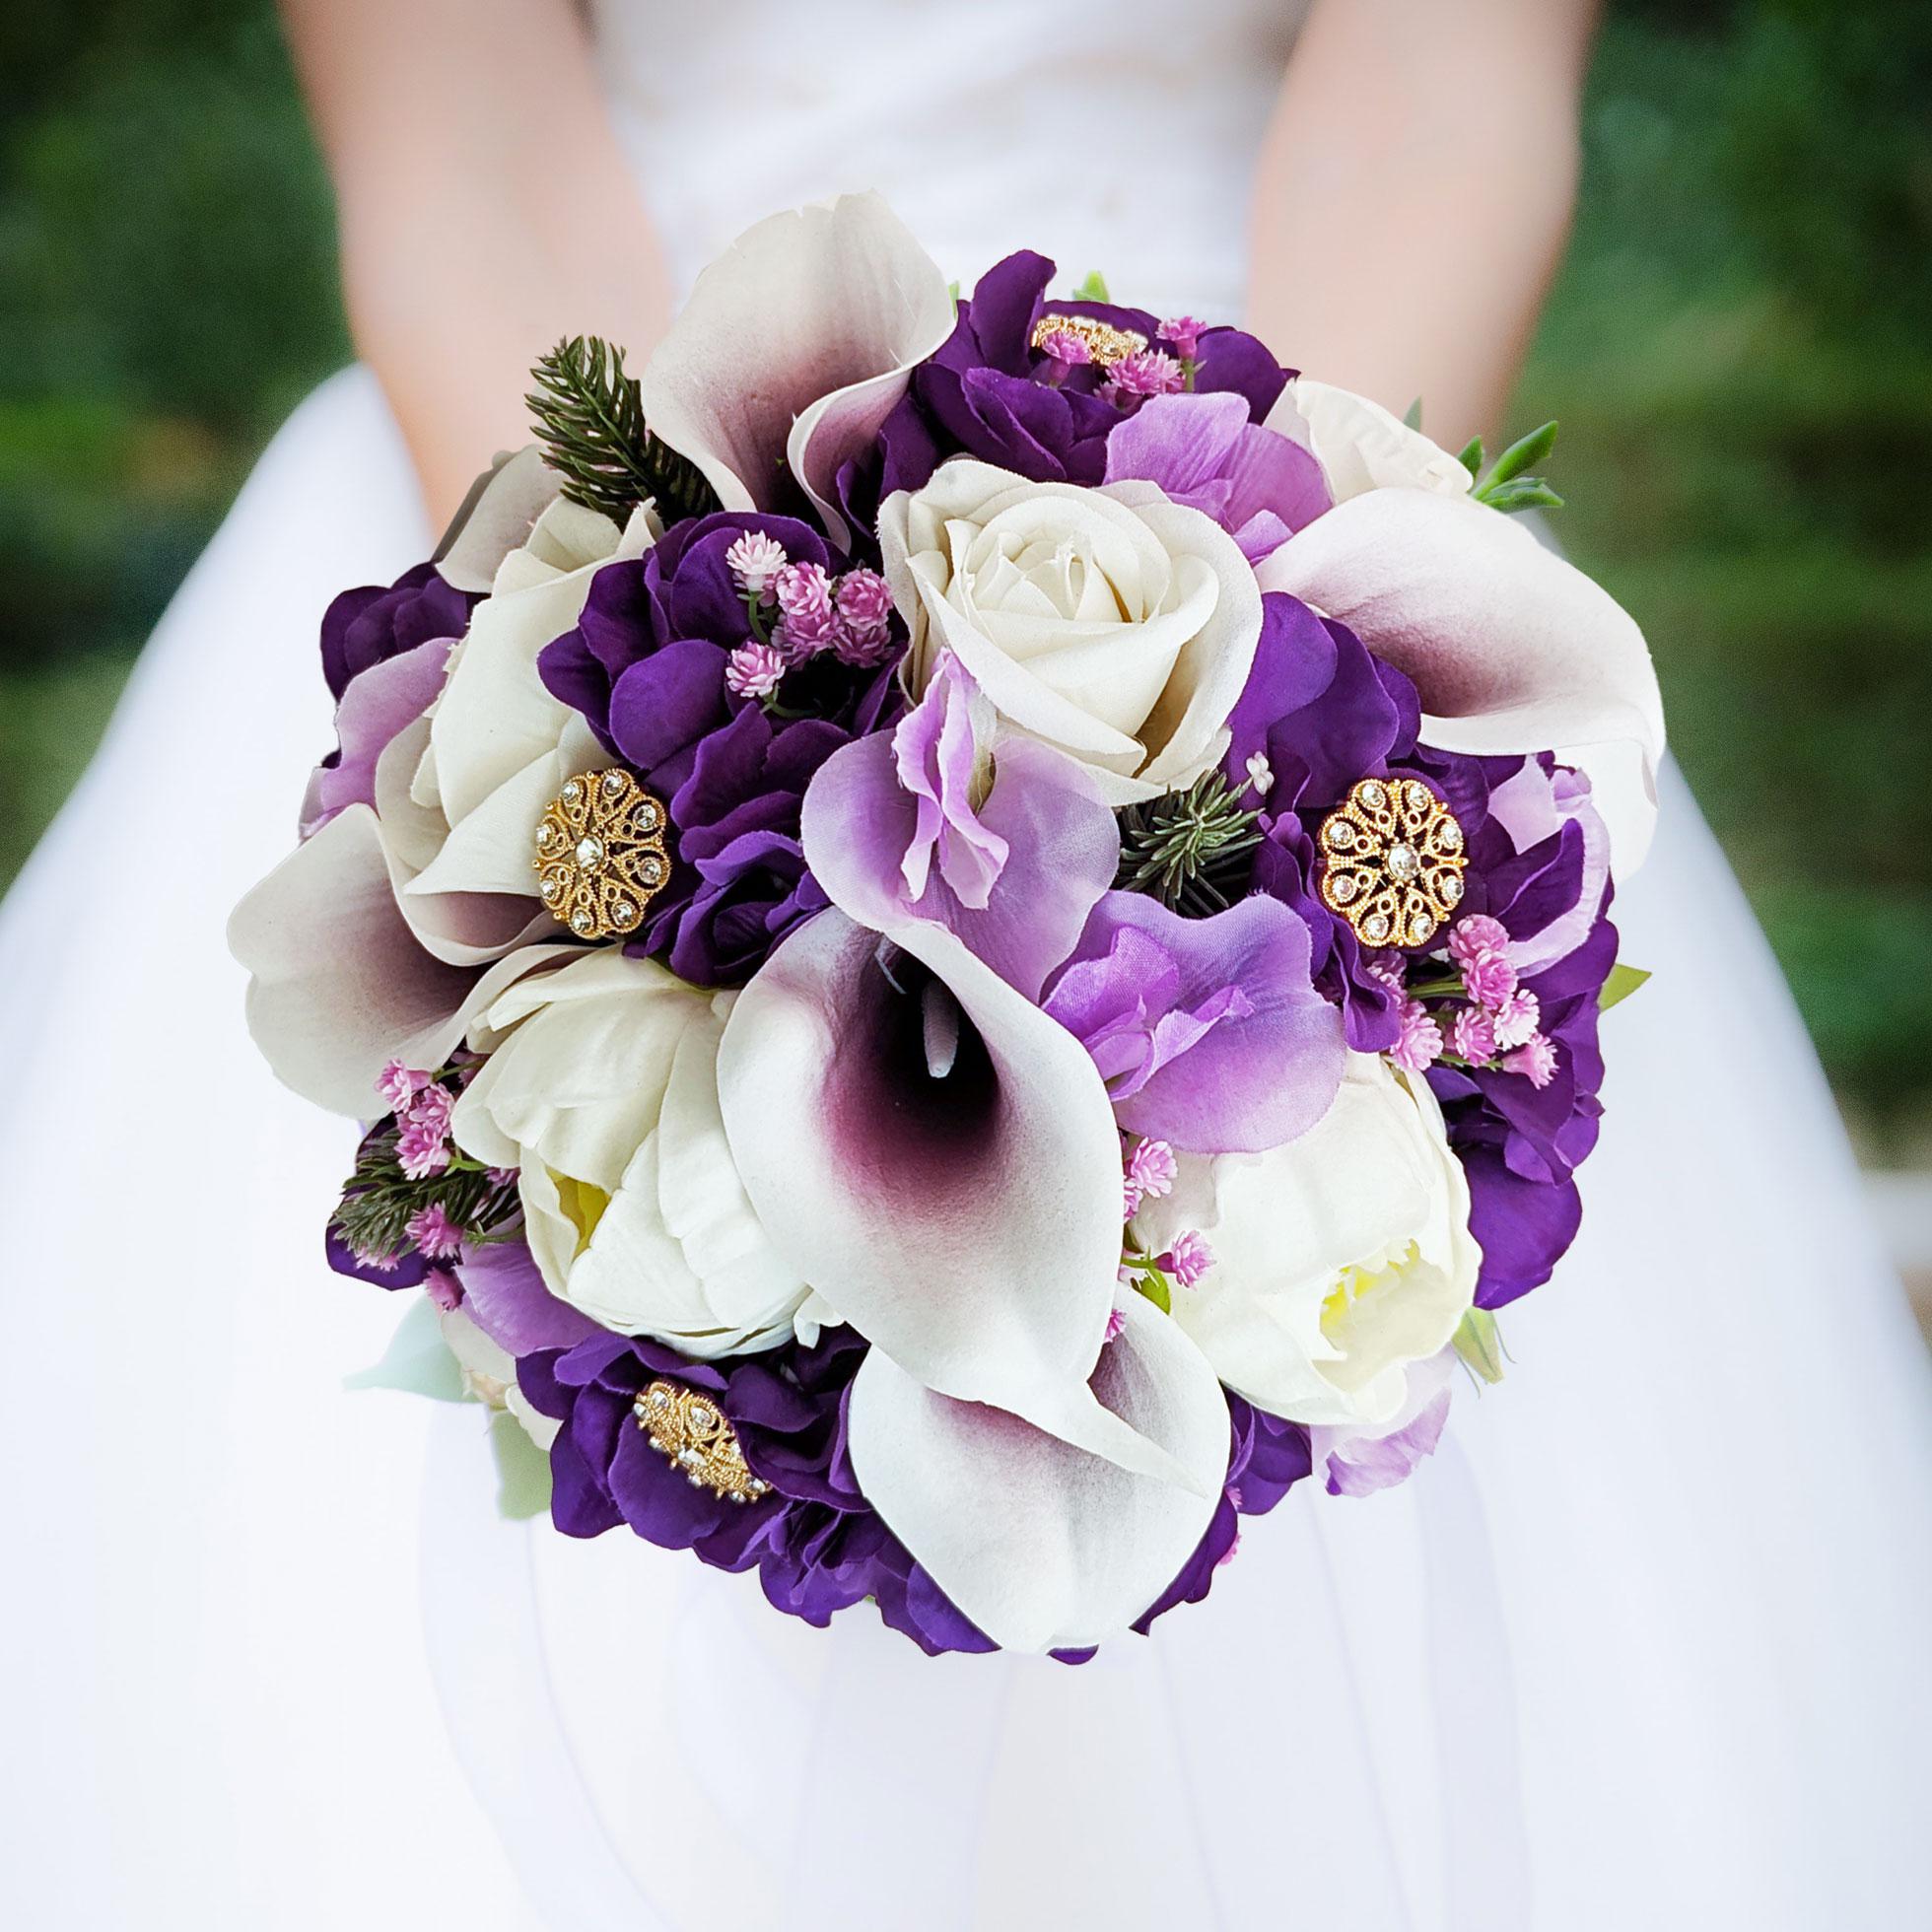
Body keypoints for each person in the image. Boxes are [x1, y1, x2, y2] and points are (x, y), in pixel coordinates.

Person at [3, 2, 1927, 1926]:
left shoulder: (1264, 625)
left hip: (1241, 483)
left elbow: (1433, 98)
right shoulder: (622, 619)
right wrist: (633, 716)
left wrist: (1266, 693)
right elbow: (463, 148)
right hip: (596, 505)